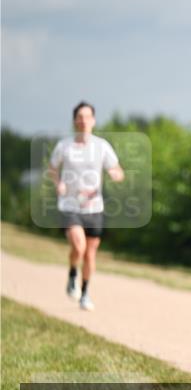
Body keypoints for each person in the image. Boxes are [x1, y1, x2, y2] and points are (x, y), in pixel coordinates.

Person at [47, 101, 125, 311]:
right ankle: (73, 273)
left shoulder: (101, 146)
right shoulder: (64, 146)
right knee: (78, 247)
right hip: (69, 205)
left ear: (93, 120)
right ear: (75, 121)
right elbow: (52, 169)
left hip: (94, 207)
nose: (83, 121)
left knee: (90, 254)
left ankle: (85, 292)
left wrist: (115, 174)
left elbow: (117, 170)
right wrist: (58, 183)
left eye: (87, 117)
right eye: (80, 117)